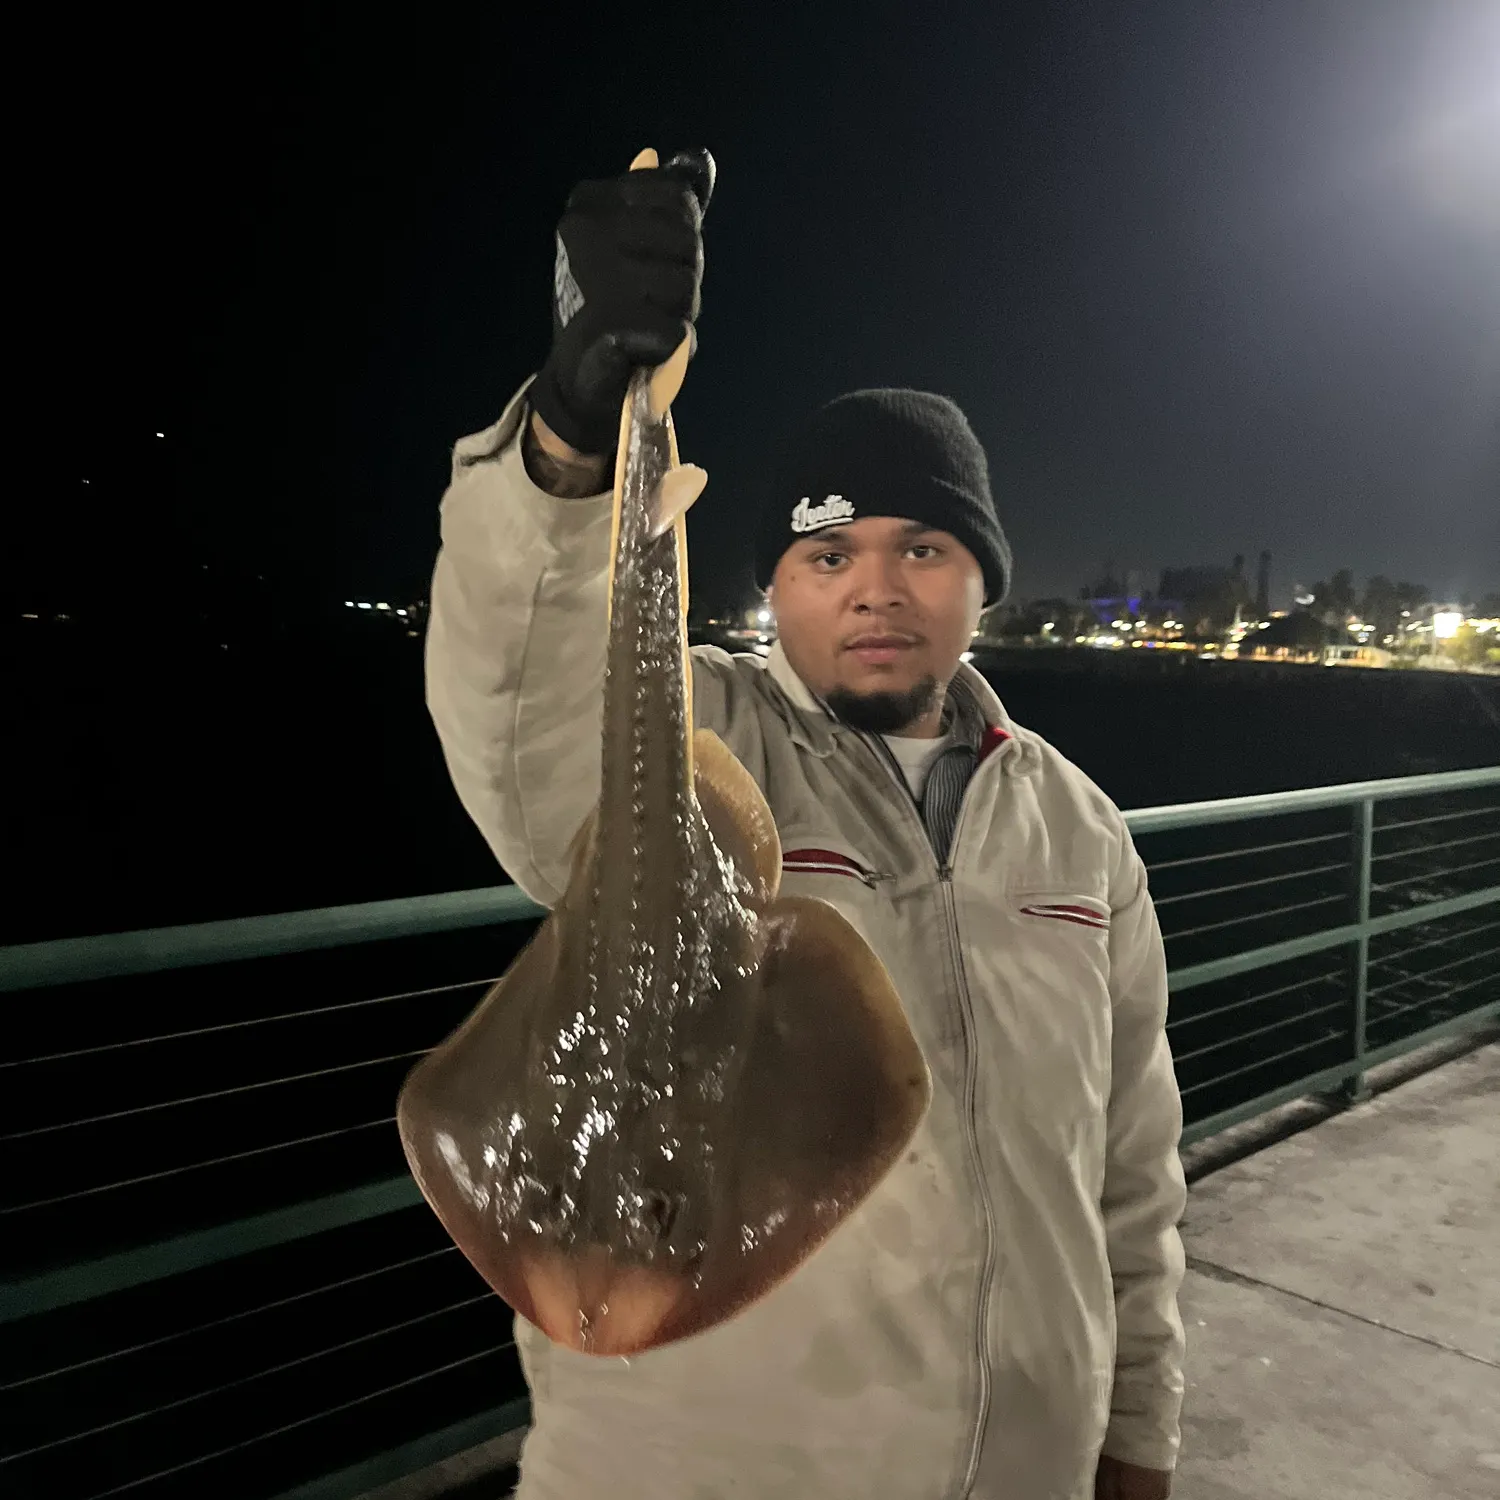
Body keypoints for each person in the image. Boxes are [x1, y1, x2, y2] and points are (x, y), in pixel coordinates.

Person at [424, 149, 1187, 1500]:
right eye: (828, 557)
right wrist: (572, 441)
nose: (876, 589)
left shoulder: (1081, 830)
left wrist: (1135, 1434)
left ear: (979, 585)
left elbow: (1129, 1171)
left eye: (925, 551)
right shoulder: (698, 738)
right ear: (776, 585)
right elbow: (521, 709)